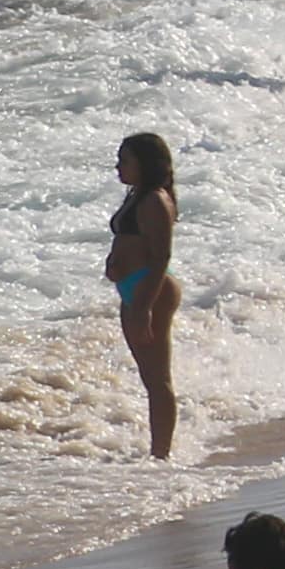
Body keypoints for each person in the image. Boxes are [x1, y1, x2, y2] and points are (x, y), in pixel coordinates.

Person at [111, 130, 182, 459]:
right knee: (150, 377)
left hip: (149, 291)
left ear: (145, 163)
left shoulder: (154, 199)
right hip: (135, 289)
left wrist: (143, 308)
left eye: (125, 159)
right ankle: (158, 452)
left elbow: (161, 256)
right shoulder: (138, 194)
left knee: (158, 380)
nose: (118, 166)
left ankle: (161, 457)